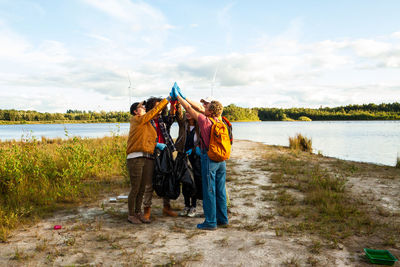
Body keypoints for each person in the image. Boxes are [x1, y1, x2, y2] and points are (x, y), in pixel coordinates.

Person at [172, 84, 229, 230]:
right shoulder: (220, 120)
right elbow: (197, 107)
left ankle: (210, 222)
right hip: (221, 159)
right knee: (220, 190)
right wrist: (185, 98)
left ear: (210, 110)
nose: (204, 108)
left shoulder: (205, 121)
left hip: (209, 158)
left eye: (206, 107)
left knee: (209, 190)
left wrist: (179, 97)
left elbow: (190, 109)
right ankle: (222, 219)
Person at [126, 95, 171, 224]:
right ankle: (131, 215)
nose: (144, 107)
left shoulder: (147, 123)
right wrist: (167, 99)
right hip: (135, 157)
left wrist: (156, 145)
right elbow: (153, 112)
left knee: (142, 188)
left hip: (147, 156)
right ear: (135, 111)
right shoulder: (136, 119)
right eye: (141, 106)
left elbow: (150, 139)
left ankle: (138, 212)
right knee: (135, 188)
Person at [142, 97, 178, 220]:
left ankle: (166, 207)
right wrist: (155, 145)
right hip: (151, 154)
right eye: (156, 107)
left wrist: (173, 102)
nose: (159, 109)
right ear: (151, 108)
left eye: (161, 107)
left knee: (167, 179)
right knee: (149, 184)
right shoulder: (146, 121)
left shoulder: (163, 119)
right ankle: (146, 210)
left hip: (165, 153)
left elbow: (172, 117)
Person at [174, 102, 202, 217]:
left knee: (194, 182)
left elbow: (201, 143)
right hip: (183, 156)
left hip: (195, 157)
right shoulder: (183, 124)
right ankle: (186, 205)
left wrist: (195, 150)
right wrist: (177, 103)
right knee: (185, 181)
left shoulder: (200, 127)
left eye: (190, 112)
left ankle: (194, 207)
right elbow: (178, 114)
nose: (188, 114)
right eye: (187, 112)